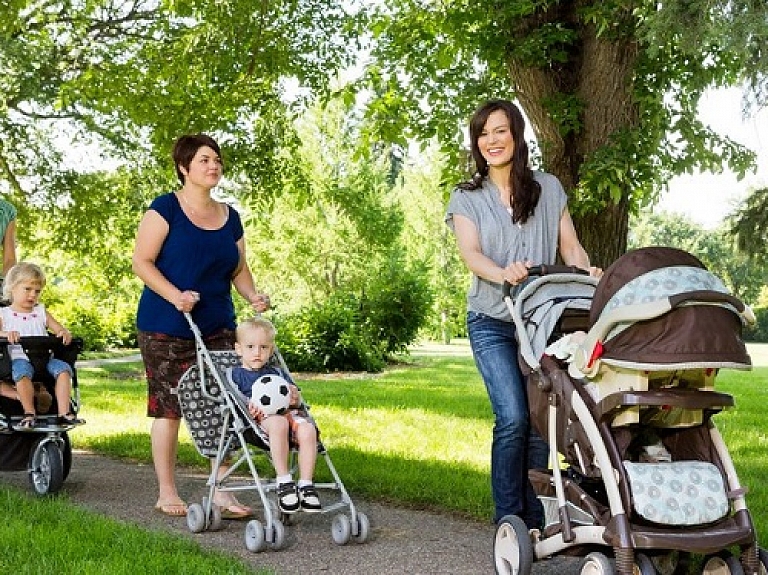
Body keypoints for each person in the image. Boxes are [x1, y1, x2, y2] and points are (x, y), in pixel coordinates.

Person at [444, 99, 601, 529]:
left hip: (541, 322)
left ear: (516, 134)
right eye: (483, 133)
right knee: (512, 416)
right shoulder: (467, 196)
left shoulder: (548, 188)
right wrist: (504, 273)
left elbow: (569, 245)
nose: (491, 141)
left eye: (499, 131)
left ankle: (536, 522)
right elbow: (471, 254)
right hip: (492, 321)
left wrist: (586, 270)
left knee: (538, 423)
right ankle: (509, 519)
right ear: (476, 143)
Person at [132, 133, 271, 518]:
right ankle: (167, 491)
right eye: (204, 160)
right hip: (165, 324)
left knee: (225, 405)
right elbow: (142, 262)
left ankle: (222, 491)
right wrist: (175, 295)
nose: (214, 166)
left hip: (218, 324)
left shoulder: (230, 216)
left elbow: (238, 268)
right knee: (170, 408)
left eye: (217, 160)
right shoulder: (165, 209)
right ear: (184, 168)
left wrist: (253, 296)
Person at [230, 317, 321, 513]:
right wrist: (249, 407)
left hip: (288, 414)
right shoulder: (236, 375)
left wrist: (295, 398)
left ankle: (306, 484)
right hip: (259, 422)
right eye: (251, 347)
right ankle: (284, 481)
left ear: (271, 350)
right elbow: (236, 399)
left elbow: (294, 395)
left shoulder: (278, 373)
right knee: (279, 423)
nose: (257, 352)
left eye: (263, 347)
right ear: (239, 349)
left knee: (307, 428)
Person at [0, 262, 79, 429]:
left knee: (64, 370)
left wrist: (63, 332)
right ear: (12, 288)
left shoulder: (41, 312)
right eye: (27, 289)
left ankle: (64, 412)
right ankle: (29, 412)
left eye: (37, 291)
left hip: (44, 359)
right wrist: (7, 334)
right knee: (22, 373)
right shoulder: (4, 314)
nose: (32, 295)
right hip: (19, 359)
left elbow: (58, 329)